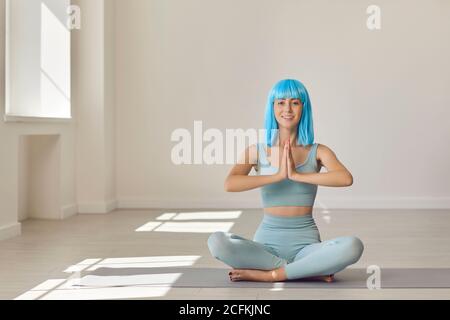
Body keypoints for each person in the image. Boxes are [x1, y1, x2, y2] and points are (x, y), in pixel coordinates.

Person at [207, 79, 364, 282]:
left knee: (353, 246)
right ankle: (305, 270)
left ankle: (273, 275)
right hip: (265, 248)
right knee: (217, 241)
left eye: (295, 102)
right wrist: (277, 176)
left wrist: (298, 175)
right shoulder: (257, 150)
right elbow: (230, 183)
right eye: (280, 102)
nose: (287, 108)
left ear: (303, 107)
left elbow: (345, 178)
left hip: (306, 246)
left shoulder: (318, 151)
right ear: (272, 107)